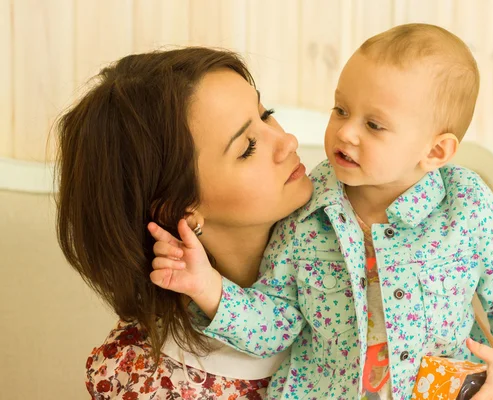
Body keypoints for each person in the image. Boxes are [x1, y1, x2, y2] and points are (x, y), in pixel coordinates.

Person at [150, 24, 493, 400]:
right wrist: (209, 288)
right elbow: (278, 322)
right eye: (341, 110)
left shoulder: (467, 205)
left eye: (374, 125)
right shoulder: (304, 212)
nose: (346, 132)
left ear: (434, 151)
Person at [55, 47, 313, 399]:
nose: (288, 141)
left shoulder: (356, 243)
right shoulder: (150, 379)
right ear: (181, 209)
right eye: (248, 147)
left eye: (266, 115)